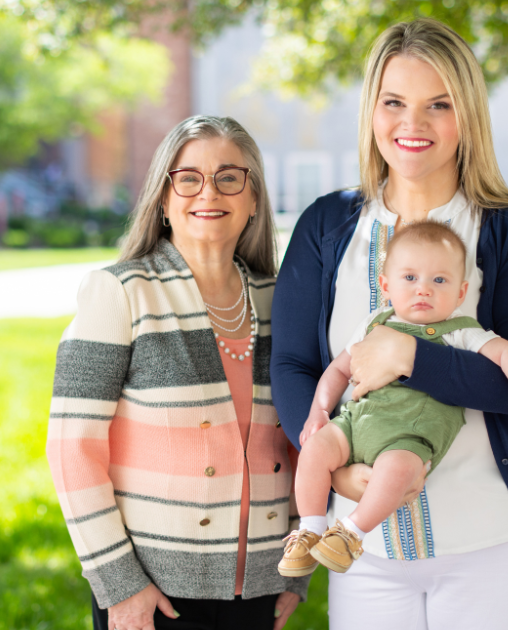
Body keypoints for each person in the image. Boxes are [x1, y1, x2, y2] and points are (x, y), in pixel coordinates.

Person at [270, 18, 508, 630]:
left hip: (492, 534)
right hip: (363, 545)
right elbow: (294, 364)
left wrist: (410, 358)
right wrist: (333, 464)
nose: (413, 124)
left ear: (467, 116)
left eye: (439, 104)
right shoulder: (327, 227)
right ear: (372, 111)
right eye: (394, 103)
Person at [47, 115, 307, 630]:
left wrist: (295, 570)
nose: (208, 192)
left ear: (253, 199)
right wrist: (121, 584)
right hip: (152, 593)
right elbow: (71, 449)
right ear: (163, 200)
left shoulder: (282, 301)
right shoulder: (120, 293)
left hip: (261, 586)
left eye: (230, 177)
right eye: (188, 178)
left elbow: (303, 441)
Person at [277, 221, 508, 577]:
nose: (424, 290)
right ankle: (310, 530)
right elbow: (339, 370)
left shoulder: (461, 331)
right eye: (410, 278)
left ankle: (350, 533)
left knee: (401, 471)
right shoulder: (375, 323)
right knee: (314, 449)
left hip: (408, 437)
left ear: (461, 291)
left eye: (439, 280)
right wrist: (319, 411)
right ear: (386, 287)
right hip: (356, 423)